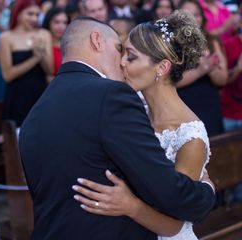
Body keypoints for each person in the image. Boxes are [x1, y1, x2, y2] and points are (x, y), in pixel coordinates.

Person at [19, 16, 215, 239]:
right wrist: (207, 189)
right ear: (97, 41)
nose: (121, 62)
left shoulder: (35, 113)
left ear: (162, 67)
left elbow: (174, 215)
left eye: (130, 56)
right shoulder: (115, 100)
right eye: (120, 50)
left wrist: (132, 206)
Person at [176, 0, 228, 136]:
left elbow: (222, 80)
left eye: (196, 14)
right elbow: (171, 82)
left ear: (203, 18)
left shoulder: (212, 40)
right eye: (187, 15)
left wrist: (209, 64)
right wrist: (202, 68)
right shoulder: (171, 44)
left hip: (210, 106)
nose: (193, 19)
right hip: (184, 109)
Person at [0, 0, 53, 127]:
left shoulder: (44, 34)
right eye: (30, 14)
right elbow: (7, 75)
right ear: (19, 14)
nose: (34, 18)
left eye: (37, 15)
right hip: (17, 97)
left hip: (40, 95)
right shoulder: (6, 37)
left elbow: (49, 70)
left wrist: (41, 53)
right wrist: (34, 58)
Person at [42, 7, 70, 81]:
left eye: (65, 23)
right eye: (56, 22)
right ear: (48, 22)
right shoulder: (41, 43)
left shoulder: (70, 45)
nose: (61, 26)